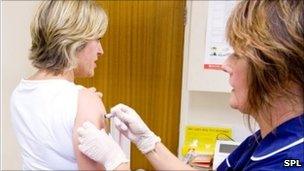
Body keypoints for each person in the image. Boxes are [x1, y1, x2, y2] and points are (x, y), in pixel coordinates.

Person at [77, 0, 304, 170]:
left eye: (237, 55)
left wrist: (115, 163)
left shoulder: (289, 162)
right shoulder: (269, 141)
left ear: (278, 71)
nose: (225, 65)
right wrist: (148, 142)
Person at [10, 1, 129, 170]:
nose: (101, 50)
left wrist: (82, 100)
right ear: (75, 42)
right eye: (97, 39)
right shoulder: (85, 101)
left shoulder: (20, 92)